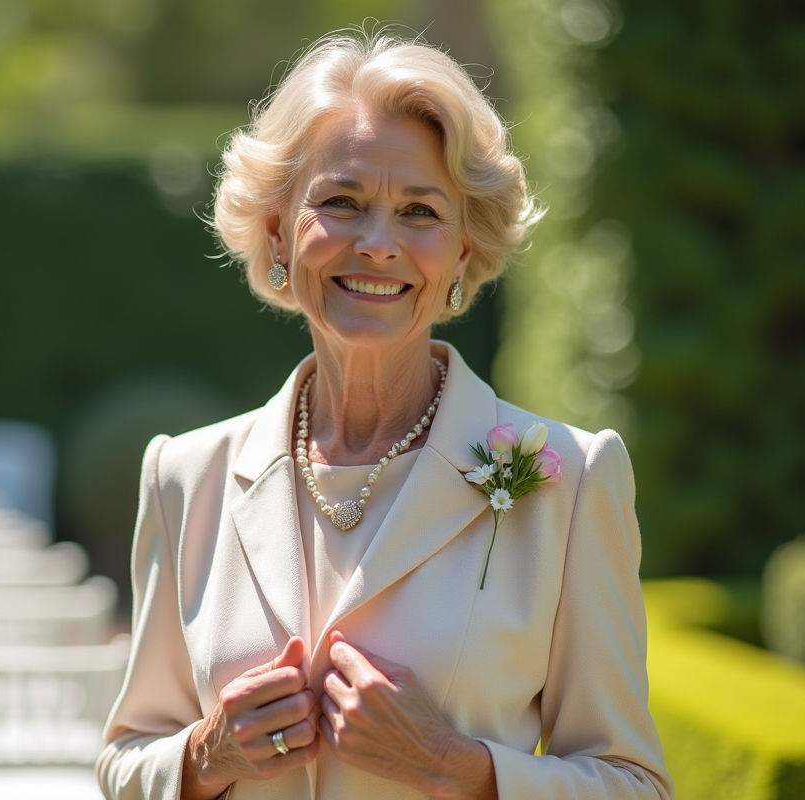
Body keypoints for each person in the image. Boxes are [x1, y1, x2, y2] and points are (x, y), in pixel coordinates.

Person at [97, 28, 673, 800]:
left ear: (464, 253)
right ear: (276, 231)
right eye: (342, 202)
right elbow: (126, 759)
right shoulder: (184, 476)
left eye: (420, 211)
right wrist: (207, 755)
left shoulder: (570, 480)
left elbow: (633, 785)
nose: (378, 243)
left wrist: (455, 768)